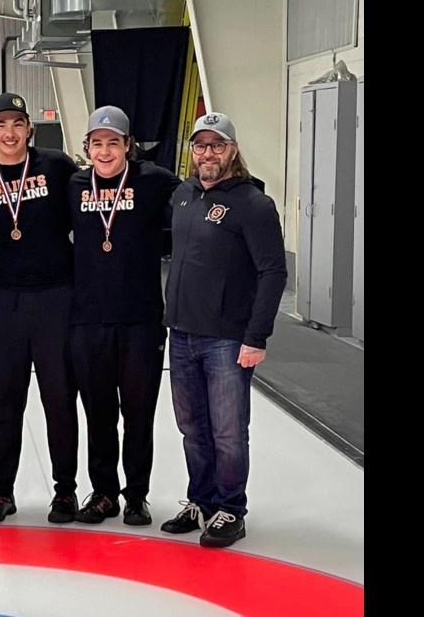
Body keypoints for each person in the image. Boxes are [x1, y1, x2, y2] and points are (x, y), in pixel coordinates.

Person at [0, 93, 80, 524]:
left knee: (59, 399)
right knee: (7, 402)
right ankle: (1, 491)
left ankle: (65, 492)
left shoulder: (57, 166)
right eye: (0, 125)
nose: (9, 133)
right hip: (5, 299)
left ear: (29, 128)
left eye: (17, 123)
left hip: (56, 297)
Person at [161, 112, 287, 548]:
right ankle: (201, 500)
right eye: (201, 146)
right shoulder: (183, 195)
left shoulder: (253, 204)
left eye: (217, 145)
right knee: (192, 426)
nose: (208, 153)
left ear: (232, 150)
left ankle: (230, 509)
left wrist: (257, 336)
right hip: (181, 333)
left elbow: (273, 272)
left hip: (228, 338)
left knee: (228, 430)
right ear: (192, 152)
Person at [67, 107, 181, 525]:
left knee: (138, 413)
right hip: (88, 320)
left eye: (113, 142)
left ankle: (136, 495)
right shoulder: (75, 184)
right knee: (98, 413)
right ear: (87, 148)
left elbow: (199, 197)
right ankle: (103, 493)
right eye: (97, 143)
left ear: (128, 146)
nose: (105, 150)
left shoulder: (153, 181)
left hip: (140, 319)